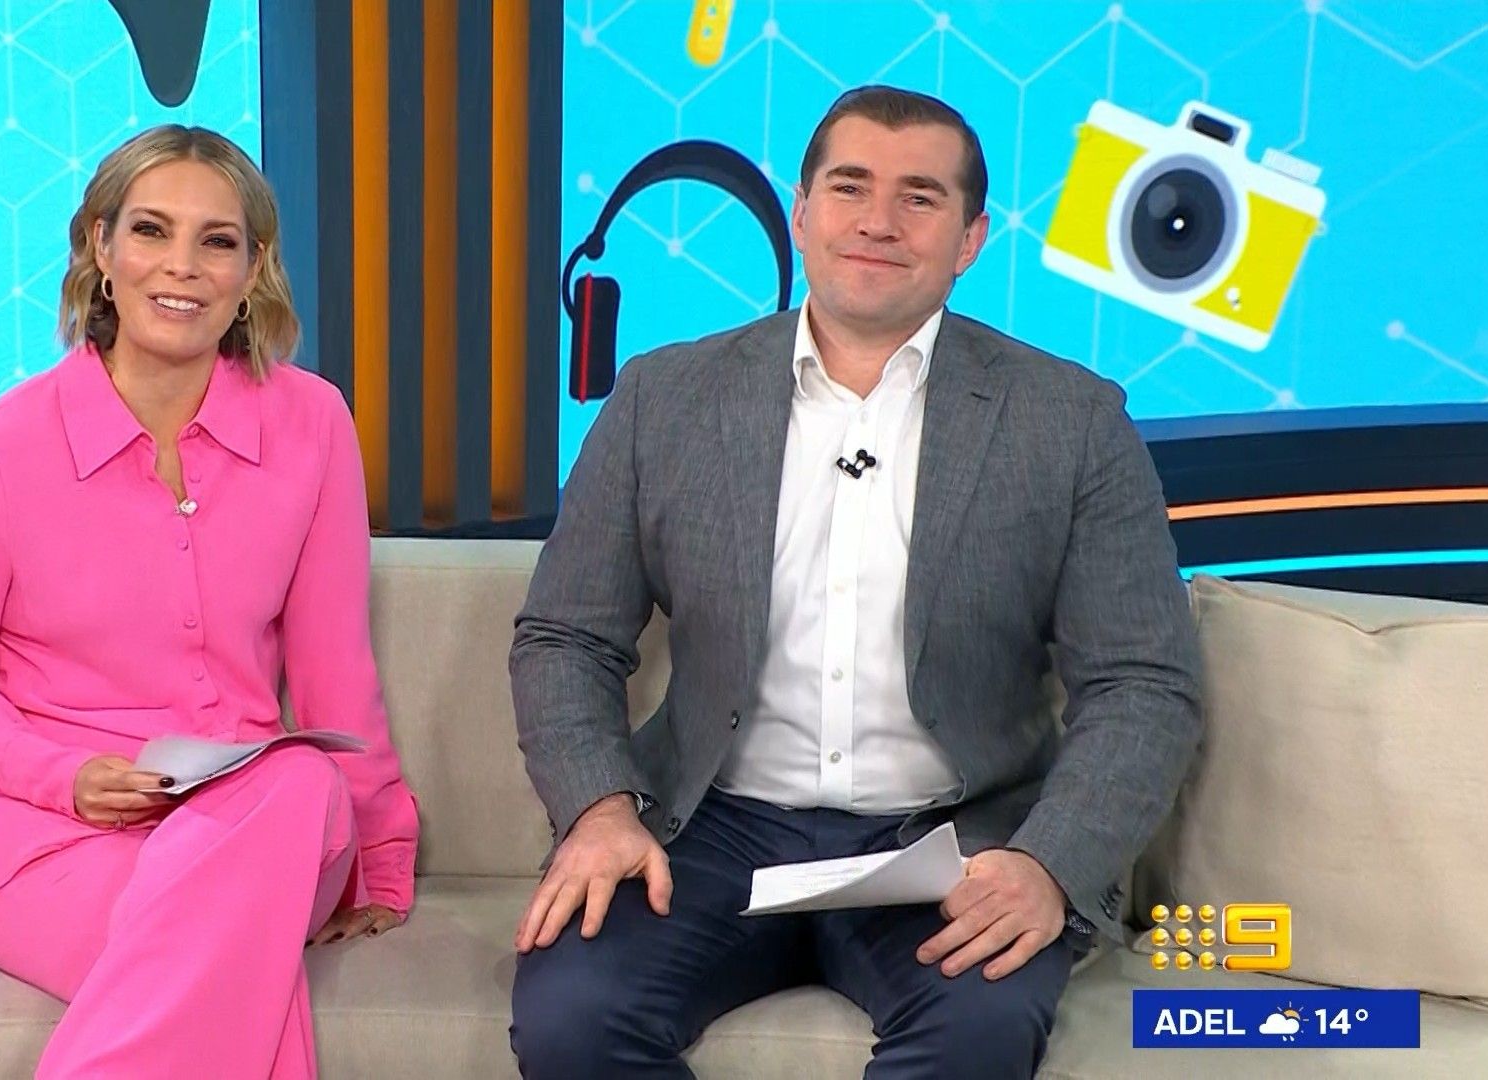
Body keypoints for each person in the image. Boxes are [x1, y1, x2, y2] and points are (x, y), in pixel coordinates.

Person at [507, 86, 1202, 1078]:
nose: (878, 221)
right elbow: (567, 636)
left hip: (952, 841)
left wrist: (1047, 862)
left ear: (970, 239)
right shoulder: (664, 398)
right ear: (801, 212)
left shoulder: (1072, 422)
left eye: (919, 197)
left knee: (978, 1035)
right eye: (850, 187)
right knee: (571, 1019)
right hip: (708, 828)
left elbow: (1142, 682)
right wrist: (598, 809)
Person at [0, 124, 419, 1080]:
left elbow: (336, 667)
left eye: (217, 241)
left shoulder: (313, 424)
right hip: (37, 828)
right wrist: (67, 777)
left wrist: (380, 851)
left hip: (255, 820)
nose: (182, 267)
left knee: (301, 783)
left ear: (253, 268)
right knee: (227, 968)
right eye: (150, 230)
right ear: (100, 247)